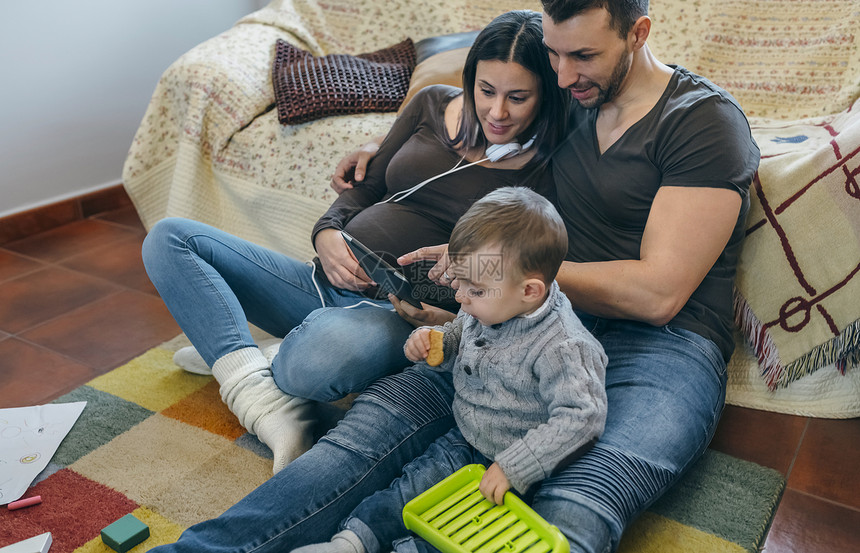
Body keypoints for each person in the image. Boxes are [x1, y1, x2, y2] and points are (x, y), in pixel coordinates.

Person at [147, 1, 760, 552]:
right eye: (554, 53)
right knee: (363, 440)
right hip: (519, 316)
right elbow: (478, 93)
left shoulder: (701, 123)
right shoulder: (569, 102)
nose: (565, 74)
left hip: (659, 347)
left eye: (584, 56)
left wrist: (493, 274)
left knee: (575, 502)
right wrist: (375, 154)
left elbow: (657, 294)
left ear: (639, 33)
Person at [140, 9, 567, 475]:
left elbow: (527, 275)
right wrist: (325, 233)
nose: (497, 112)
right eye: (486, 91)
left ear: (545, 94)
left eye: (518, 97)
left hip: (398, 315)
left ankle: (243, 357)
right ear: (470, 81)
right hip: (322, 280)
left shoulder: (549, 168)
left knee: (312, 363)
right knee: (170, 239)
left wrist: (455, 313)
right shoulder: (430, 105)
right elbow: (365, 188)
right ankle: (261, 393)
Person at [293, 187, 607, 553]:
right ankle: (350, 543)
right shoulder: (489, 303)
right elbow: (460, 330)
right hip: (466, 437)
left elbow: (583, 416)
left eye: (473, 290)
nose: (460, 298)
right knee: (408, 491)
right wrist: (435, 339)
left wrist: (514, 467)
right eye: (460, 284)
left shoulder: (565, 347)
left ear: (530, 291)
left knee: (468, 532)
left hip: (521, 464)